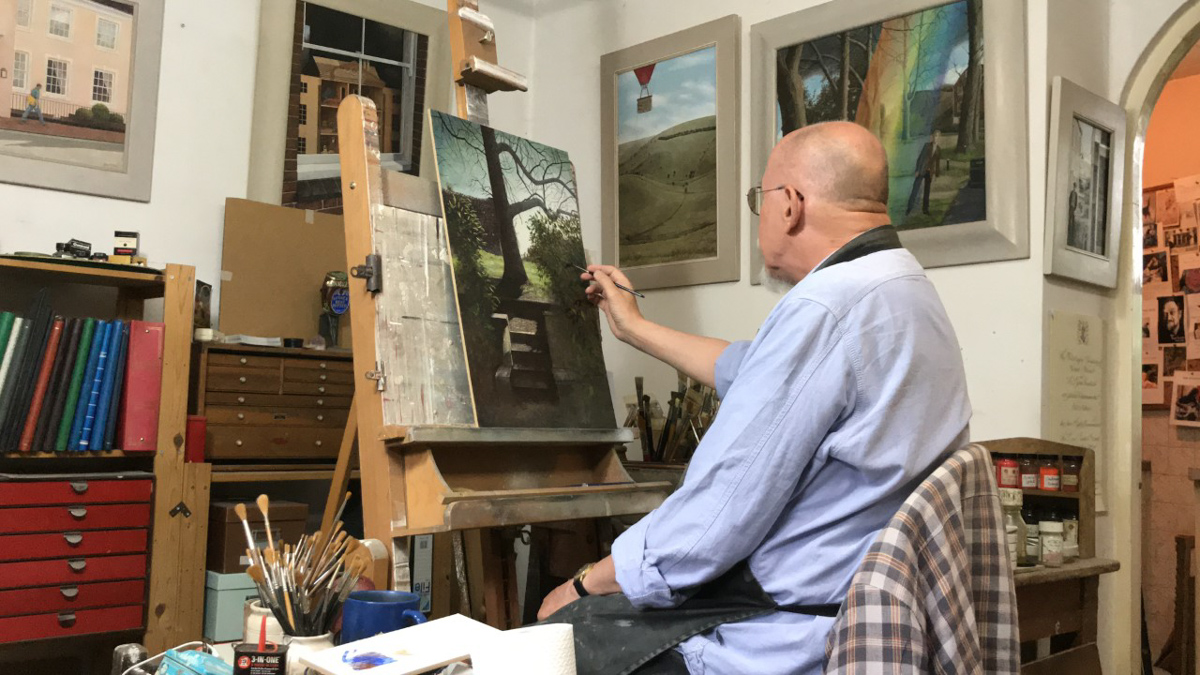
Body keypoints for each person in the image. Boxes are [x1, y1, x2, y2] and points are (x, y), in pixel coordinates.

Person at [538, 121, 971, 675]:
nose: (761, 216)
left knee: (557, 641)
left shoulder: (826, 307)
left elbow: (707, 526)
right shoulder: (900, 286)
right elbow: (752, 370)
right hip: (867, 614)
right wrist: (635, 329)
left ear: (789, 204)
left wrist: (583, 583)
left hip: (787, 637)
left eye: (758, 200)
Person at [905, 129, 941, 215]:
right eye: (934, 136)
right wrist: (917, 170)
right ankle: (909, 208)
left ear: (939, 138)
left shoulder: (939, 150)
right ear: (932, 137)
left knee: (927, 191)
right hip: (922, 170)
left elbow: (937, 163)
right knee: (915, 189)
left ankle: (925, 210)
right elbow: (920, 158)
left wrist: (937, 174)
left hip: (930, 172)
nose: (935, 138)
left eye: (937, 136)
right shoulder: (927, 146)